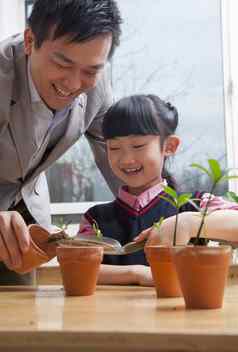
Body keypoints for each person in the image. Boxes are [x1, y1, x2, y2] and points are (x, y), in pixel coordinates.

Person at [0, 0, 122, 284]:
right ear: (30, 41)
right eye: (62, 63)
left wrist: (164, 213)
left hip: (27, 222)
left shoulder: (98, 87)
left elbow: (121, 157)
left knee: (21, 319)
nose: (73, 83)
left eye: (90, 71)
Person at [78, 94, 238, 286]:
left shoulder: (194, 205)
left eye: (138, 146)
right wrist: (137, 273)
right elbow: (79, 266)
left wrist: (188, 223)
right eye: (114, 148)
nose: (126, 159)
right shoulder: (95, 218)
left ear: (169, 146)